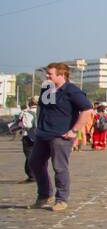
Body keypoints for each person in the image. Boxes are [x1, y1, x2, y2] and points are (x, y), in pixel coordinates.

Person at [28, 63, 94, 212]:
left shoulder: (72, 91)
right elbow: (43, 109)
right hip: (43, 134)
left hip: (61, 135)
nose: (47, 76)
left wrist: (74, 131)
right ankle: (44, 195)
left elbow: (87, 110)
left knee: (59, 167)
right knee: (35, 162)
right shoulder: (47, 88)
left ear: (61, 75)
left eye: (50, 74)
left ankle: (61, 199)